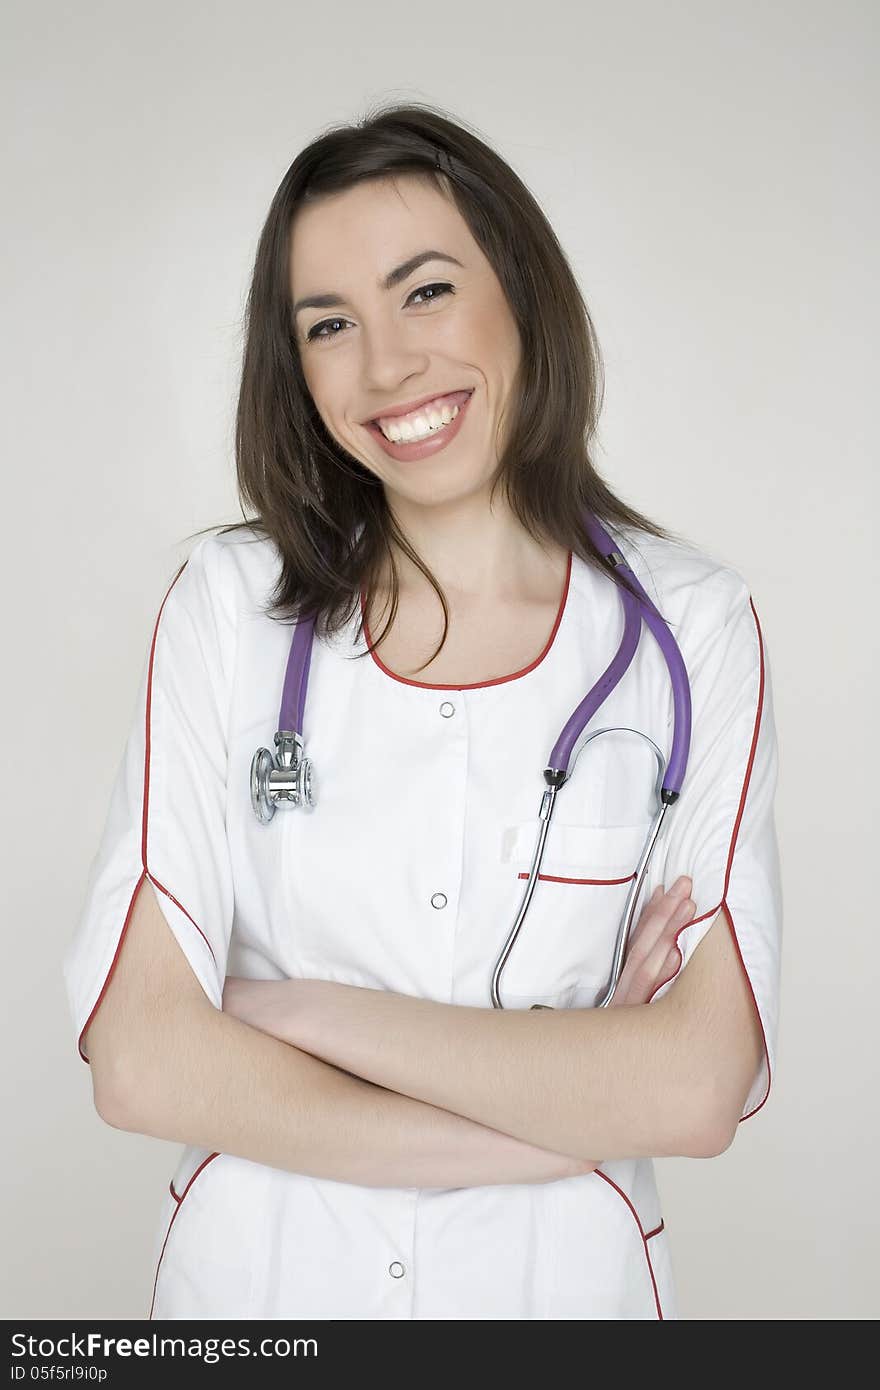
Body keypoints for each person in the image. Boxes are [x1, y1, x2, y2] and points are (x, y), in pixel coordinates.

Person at [63, 102, 782, 1321]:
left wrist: (293, 1012)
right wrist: (562, 1106)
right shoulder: (227, 610)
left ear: (522, 295)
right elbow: (142, 1061)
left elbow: (696, 1083)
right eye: (329, 324)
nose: (387, 365)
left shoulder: (692, 630)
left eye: (427, 292)